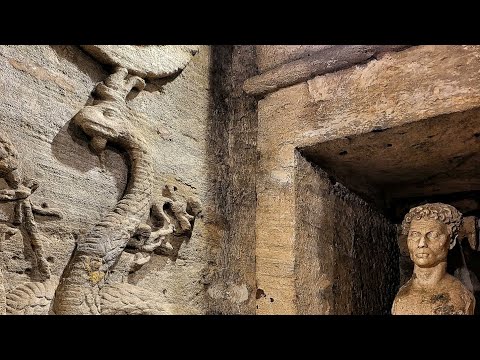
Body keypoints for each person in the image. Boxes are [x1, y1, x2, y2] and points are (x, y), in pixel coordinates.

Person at [392, 203, 475, 315]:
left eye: (432, 235)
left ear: (451, 241)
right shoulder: (401, 296)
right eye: (415, 234)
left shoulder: (459, 298)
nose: (421, 243)